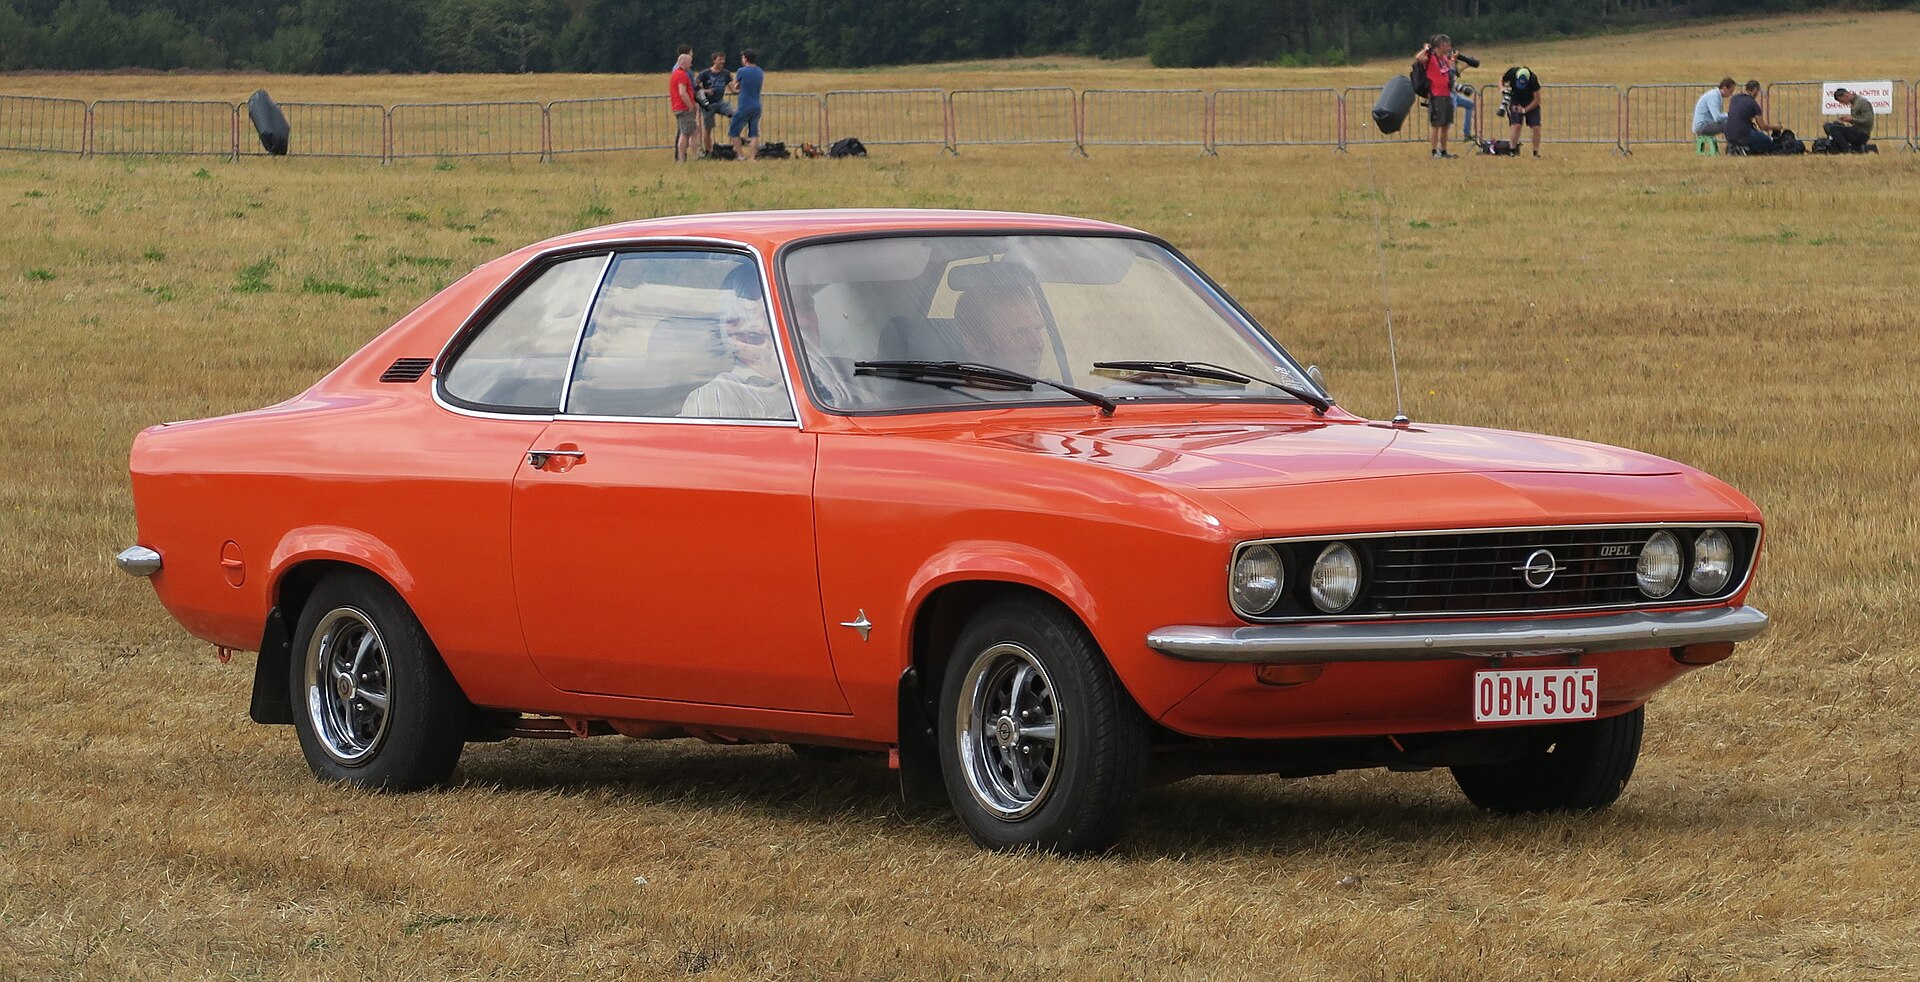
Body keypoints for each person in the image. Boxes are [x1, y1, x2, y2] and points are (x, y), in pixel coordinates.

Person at [1412, 35, 1459, 158]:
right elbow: (1418, 58)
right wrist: (1427, 49)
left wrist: (1453, 60)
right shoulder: (1430, 58)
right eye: (1447, 45)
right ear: (1441, 45)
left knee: (1446, 124)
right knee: (1436, 124)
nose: (1449, 47)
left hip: (1446, 94)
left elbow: (1452, 71)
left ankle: (1444, 150)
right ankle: (1434, 151)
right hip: (1436, 95)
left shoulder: (1444, 59)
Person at [694, 51, 735, 156]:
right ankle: (709, 151)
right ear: (714, 61)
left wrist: (741, 90)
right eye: (720, 59)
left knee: (736, 114)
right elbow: (695, 85)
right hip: (708, 104)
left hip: (720, 102)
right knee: (708, 128)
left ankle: (734, 139)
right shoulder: (706, 73)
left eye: (723, 59)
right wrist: (705, 91)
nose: (722, 61)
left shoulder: (726, 73)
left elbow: (732, 88)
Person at [1724, 80, 1779, 155]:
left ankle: (1735, 146)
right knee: (1767, 141)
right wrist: (1775, 128)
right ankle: (1744, 149)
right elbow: (1762, 126)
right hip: (1743, 134)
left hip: (1728, 133)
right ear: (1755, 90)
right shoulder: (1754, 104)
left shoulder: (1735, 98)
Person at [730, 49, 765, 160]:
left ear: (745, 58)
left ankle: (740, 155)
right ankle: (752, 157)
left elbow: (736, 86)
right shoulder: (760, 71)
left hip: (745, 105)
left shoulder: (742, 71)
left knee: (734, 131)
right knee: (754, 133)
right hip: (757, 105)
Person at [1500, 65, 1543, 156]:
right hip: (1516, 100)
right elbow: (1501, 81)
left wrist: (1525, 110)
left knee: (1536, 127)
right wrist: (1502, 88)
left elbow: (1537, 99)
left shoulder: (1533, 79)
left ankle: (1536, 152)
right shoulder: (1512, 73)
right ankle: (1512, 150)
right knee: (1517, 126)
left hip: (1531, 102)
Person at [668, 47, 698, 163]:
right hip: (684, 108)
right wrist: (690, 105)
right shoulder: (682, 75)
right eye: (690, 63)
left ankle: (692, 155)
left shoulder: (676, 74)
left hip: (678, 107)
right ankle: (682, 158)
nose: (691, 65)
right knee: (685, 134)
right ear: (684, 63)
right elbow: (682, 92)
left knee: (694, 131)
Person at [1824, 87, 1874, 152]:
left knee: (1834, 129)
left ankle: (1847, 150)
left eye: (1841, 101)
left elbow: (1868, 120)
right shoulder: (1854, 103)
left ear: (1846, 95)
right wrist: (1848, 120)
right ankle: (1837, 148)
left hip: (1862, 134)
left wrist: (1852, 119)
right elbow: (1858, 120)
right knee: (1829, 125)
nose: (1842, 103)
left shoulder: (1862, 102)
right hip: (1856, 130)